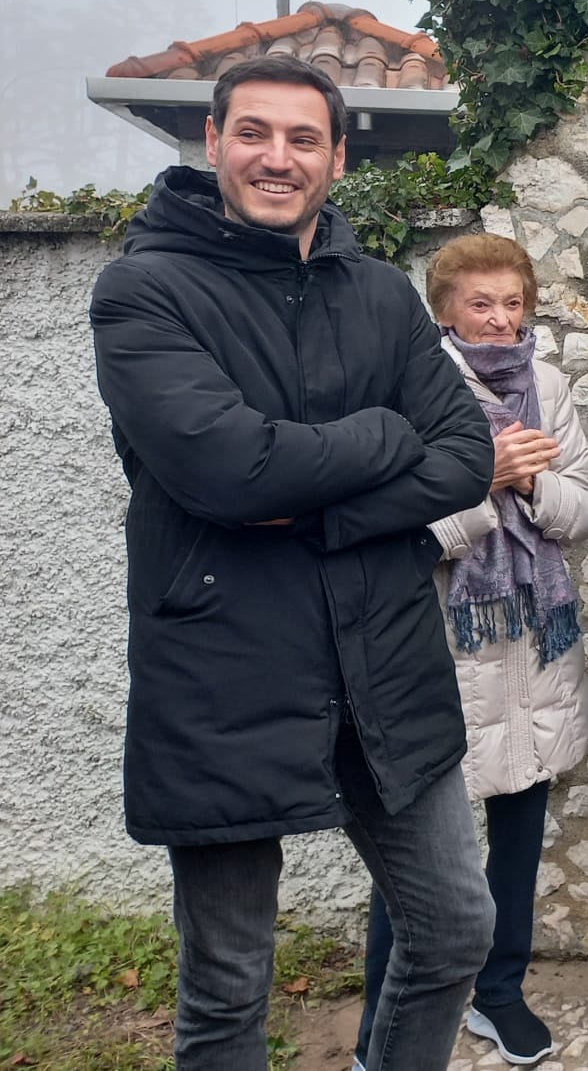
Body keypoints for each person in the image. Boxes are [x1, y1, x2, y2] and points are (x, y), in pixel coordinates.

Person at [88, 55, 498, 1071]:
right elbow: (230, 471)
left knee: (454, 930)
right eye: (256, 133)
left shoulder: (383, 295)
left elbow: (463, 458)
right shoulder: (144, 291)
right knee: (228, 988)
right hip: (223, 672)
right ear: (215, 140)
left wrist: (317, 512)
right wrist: (377, 438)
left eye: (303, 139)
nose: (279, 158)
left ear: (338, 157)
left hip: (386, 663)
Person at [353, 235, 588, 1068]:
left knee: (521, 830)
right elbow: (400, 525)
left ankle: (499, 995)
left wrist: (534, 484)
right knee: (418, 859)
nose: (499, 320)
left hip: (534, 646)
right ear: (444, 309)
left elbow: (584, 513)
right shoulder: (410, 389)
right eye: (479, 303)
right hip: (441, 651)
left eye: (512, 302)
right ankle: (382, 1031)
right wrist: (485, 479)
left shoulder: (552, 387)